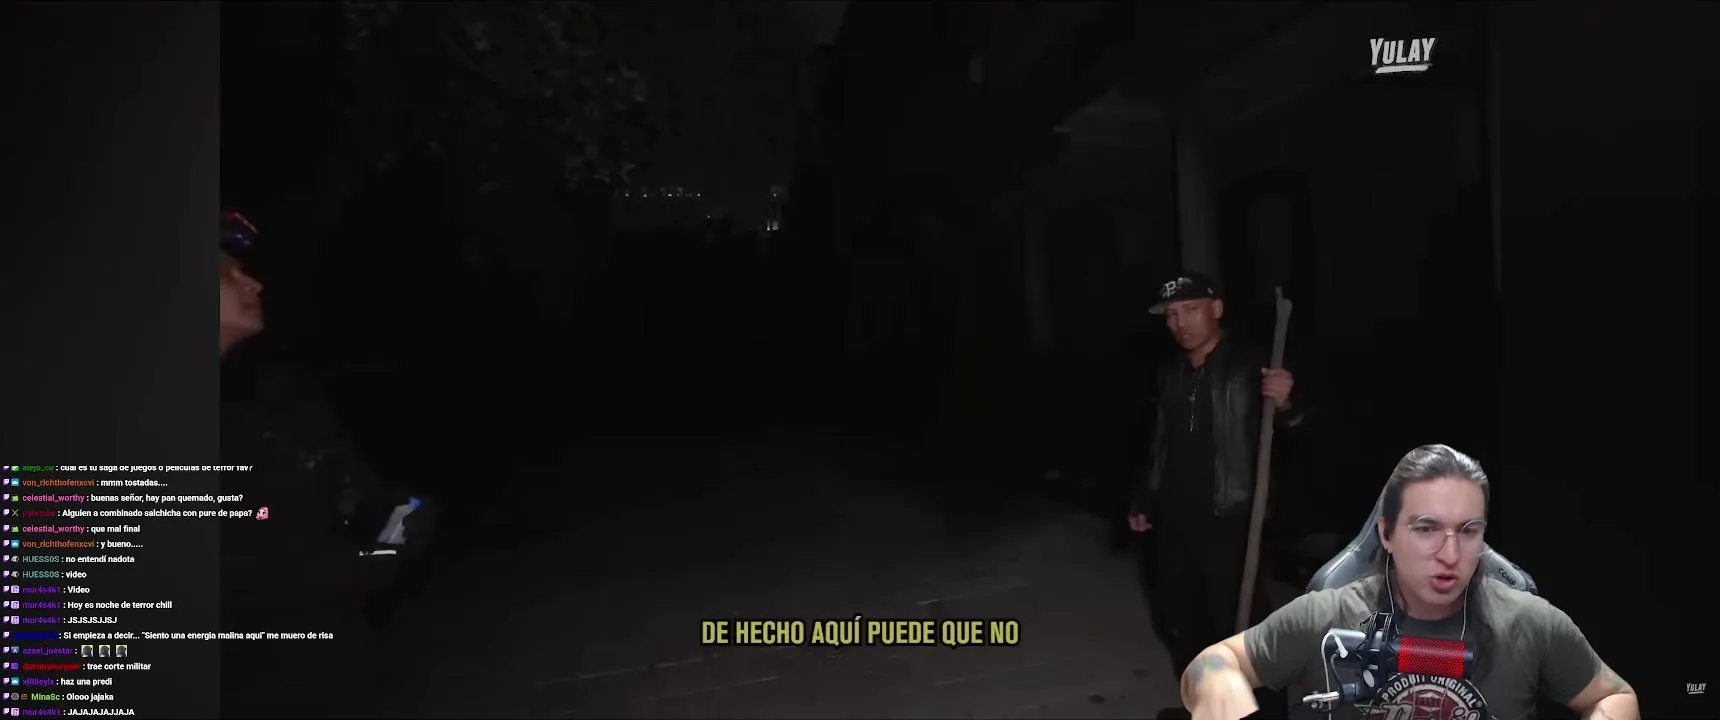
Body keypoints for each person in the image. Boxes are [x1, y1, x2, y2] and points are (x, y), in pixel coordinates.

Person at [1180, 444, 1638, 720]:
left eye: (1468, 531)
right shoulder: (1327, 616)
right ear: (1386, 534)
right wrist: (1218, 681)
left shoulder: (1531, 624)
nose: (1450, 554)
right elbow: (1213, 662)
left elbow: (1615, 695)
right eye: (1426, 529)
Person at [218, 211, 436, 717]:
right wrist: (374, 558)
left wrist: (389, 514)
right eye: (226, 273)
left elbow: (337, 499)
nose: (252, 283)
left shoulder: (271, 398)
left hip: (333, 670)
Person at [1126, 272, 1304, 705]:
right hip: (1175, 522)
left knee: (1244, 633)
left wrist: (1286, 404)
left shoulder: (1251, 366)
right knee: (1185, 625)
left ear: (1217, 309)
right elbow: (1160, 444)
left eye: (1191, 310)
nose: (1180, 323)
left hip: (1231, 518)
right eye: (1171, 314)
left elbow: (1293, 433)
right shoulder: (1170, 372)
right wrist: (1145, 497)